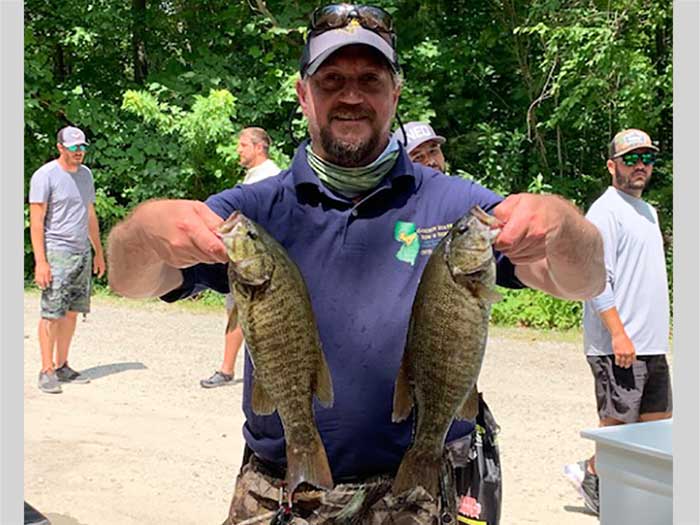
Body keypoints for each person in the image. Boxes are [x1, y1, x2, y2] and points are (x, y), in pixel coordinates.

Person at [107, 4, 605, 523]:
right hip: (282, 493)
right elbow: (131, 280)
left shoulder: (456, 207)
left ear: (395, 92)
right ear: (303, 94)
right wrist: (144, 232)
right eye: (331, 80)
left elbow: (584, 281)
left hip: (426, 493)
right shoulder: (253, 212)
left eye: (370, 78)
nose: (351, 95)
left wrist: (563, 225)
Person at [563, 128, 673, 516]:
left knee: (658, 426)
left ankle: (628, 494)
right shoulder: (604, 212)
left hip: (652, 344)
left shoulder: (648, 211)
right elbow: (596, 280)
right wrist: (618, 333)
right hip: (619, 346)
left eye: (647, 158)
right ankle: (591, 475)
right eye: (631, 159)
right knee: (619, 428)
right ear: (612, 166)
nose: (640, 165)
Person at [200, 127, 281, 388]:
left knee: (251, 314)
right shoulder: (256, 176)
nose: (238, 150)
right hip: (245, 257)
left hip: (256, 261)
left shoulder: (269, 177)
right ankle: (228, 368)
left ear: (259, 148)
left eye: (243, 145)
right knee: (237, 310)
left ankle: (238, 370)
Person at [29, 125, 106, 394]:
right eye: (74, 148)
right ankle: (46, 369)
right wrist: (41, 262)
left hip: (81, 252)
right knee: (52, 313)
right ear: (60, 147)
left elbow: (90, 214)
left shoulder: (85, 176)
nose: (79, 152)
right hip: (57, 252)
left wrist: (98, 251)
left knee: (72, 311)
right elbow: (36, 222)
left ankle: (62, 365)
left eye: (82, 147)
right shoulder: (45, 176)